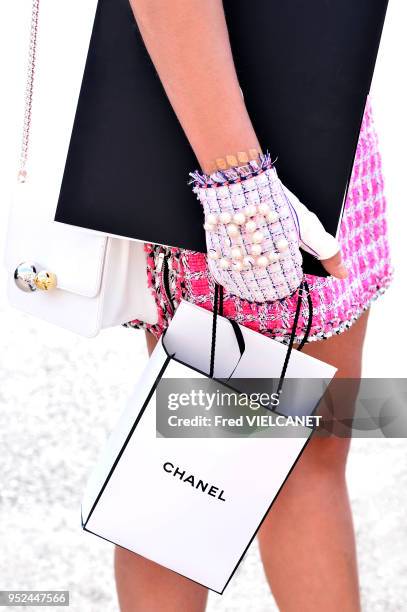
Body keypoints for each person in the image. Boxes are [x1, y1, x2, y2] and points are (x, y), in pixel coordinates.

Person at [116, 1, 393, 610]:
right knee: (188, 466)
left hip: (321, 108)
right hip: (229, 134)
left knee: (312, 450)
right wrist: (239, 187)